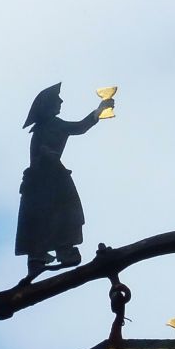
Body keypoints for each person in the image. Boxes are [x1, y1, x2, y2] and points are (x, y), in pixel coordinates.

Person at [16, 82, 110, 277]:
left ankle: (50, 252)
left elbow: (79, 127)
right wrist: (98, 111)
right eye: (57, 100)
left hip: (48, 176)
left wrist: (99, 111)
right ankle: (55, 251)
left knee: (60, 211)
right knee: (62, 210)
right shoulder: (48, 126)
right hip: (47, 177)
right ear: (49, 106)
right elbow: (77, 128)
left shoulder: (51, 125)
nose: (61, 102)